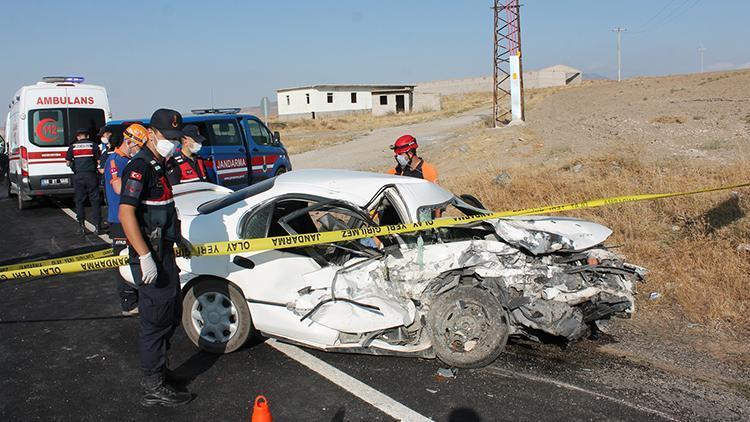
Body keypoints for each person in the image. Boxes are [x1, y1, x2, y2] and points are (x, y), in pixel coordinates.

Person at [118, 109, 192, 407]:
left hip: (164, 252)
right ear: (151, 133)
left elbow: (165, 208)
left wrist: (179, 238)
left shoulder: (160, 164)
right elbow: (126, 213)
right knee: (155, 320)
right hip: (151, 255)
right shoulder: (140, 167)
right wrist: (145, 255)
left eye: (175, 138)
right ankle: (152, 385)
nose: (171, 143)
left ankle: (160, 371)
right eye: (166, 137)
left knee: (169, 314)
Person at [104, 123, 146, 316]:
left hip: (129, 216)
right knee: (122, 261)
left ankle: (137, 295)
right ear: (128, 142)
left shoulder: (126, 161)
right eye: (138, 146)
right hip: (119, 219)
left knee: (134, 258)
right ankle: (128, 301)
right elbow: (118, 188)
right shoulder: (115, 161)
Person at [66, 128, 103, 235]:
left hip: (78, 176)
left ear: (77, 137)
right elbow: (99, 161)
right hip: (91, 175)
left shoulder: (72, 147)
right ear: (87, 136)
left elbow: (68, 163)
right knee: (95, 200)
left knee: (79, 201)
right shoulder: (93, 145)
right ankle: (97, 226)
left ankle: (82, 227)